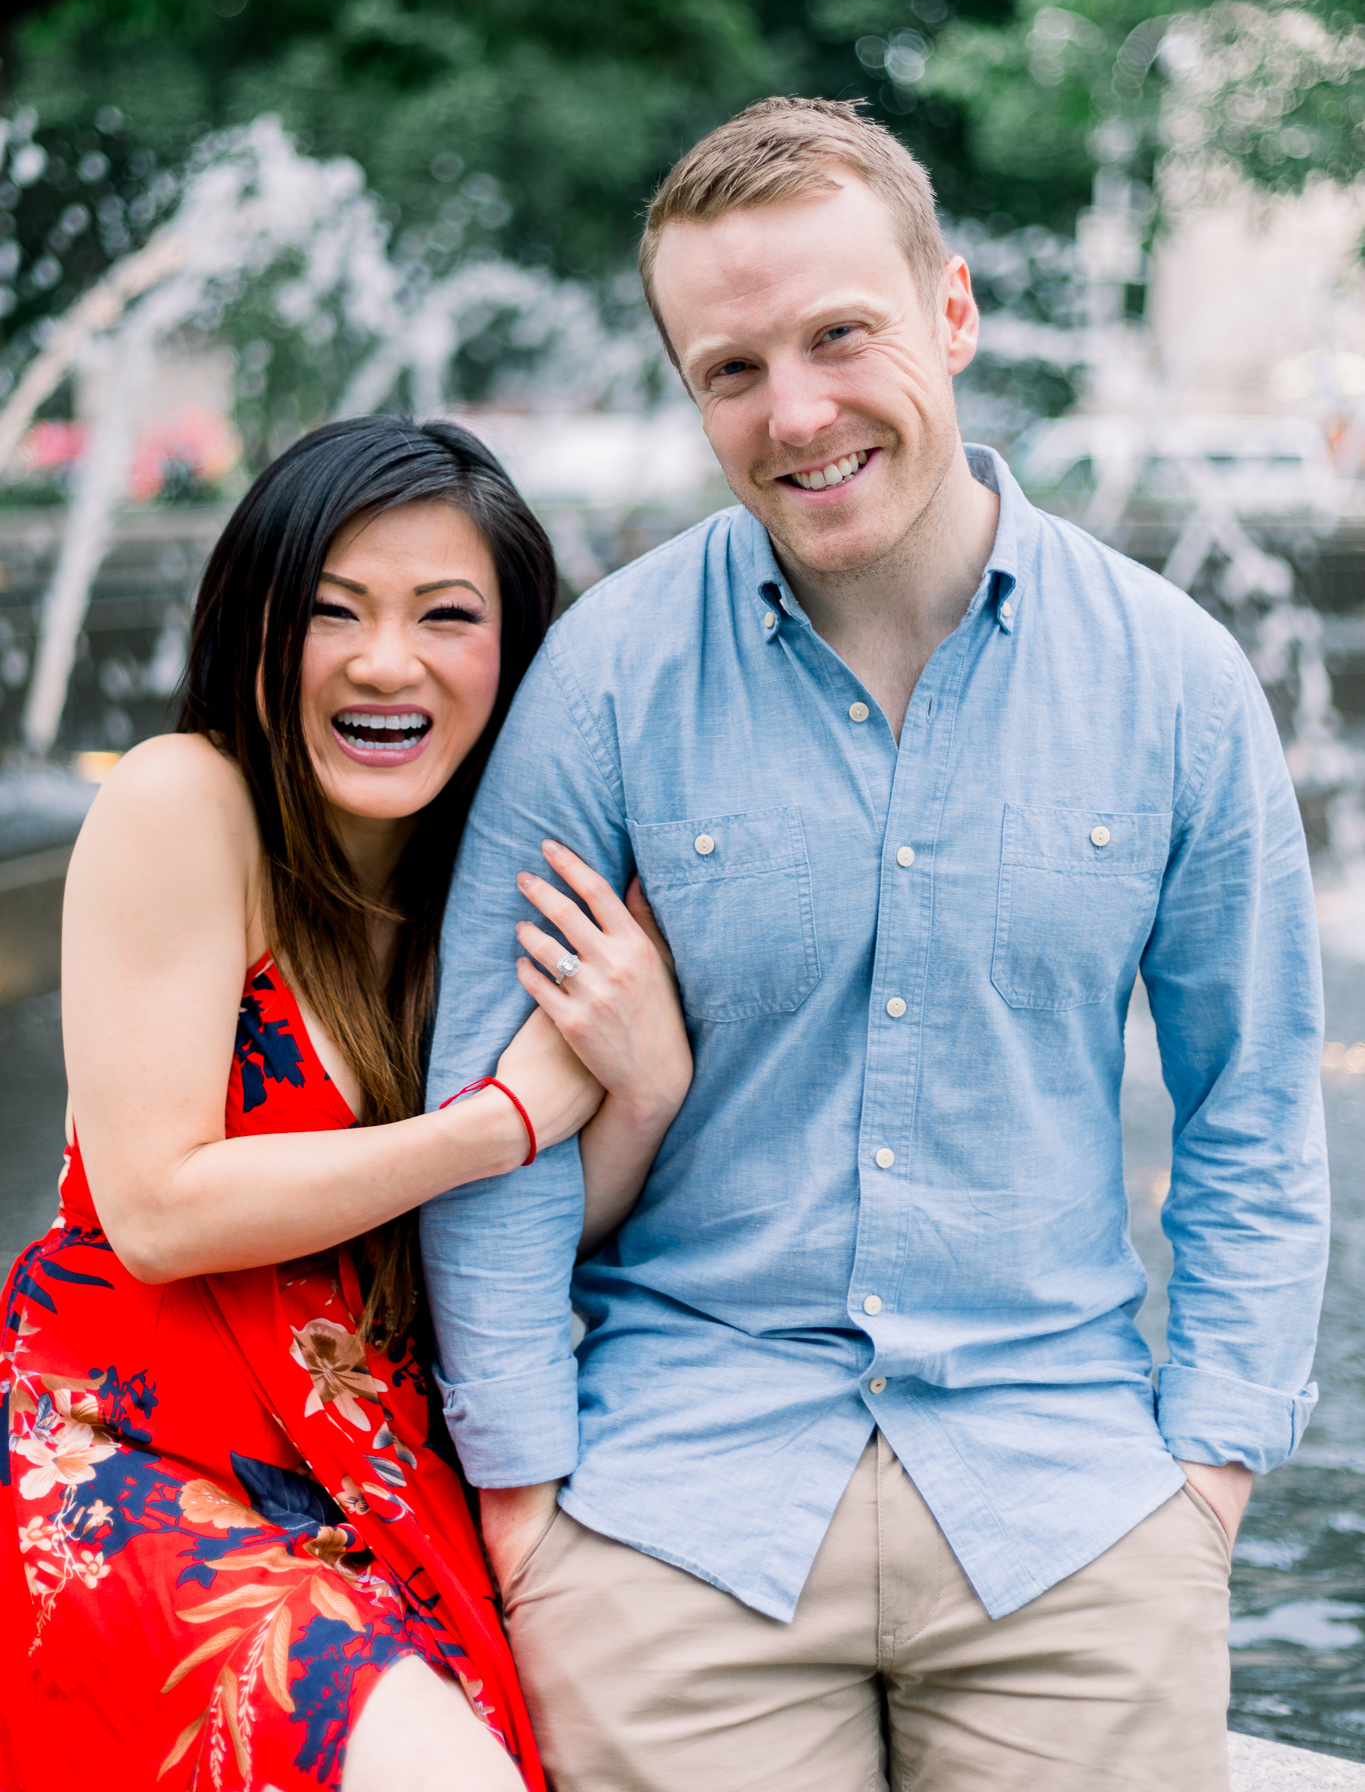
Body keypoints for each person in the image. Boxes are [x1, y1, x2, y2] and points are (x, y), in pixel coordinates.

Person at [420, 98, 1330, 1792]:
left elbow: (1252, 1111)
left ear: (954, 312)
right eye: (731, 370)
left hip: (1070, 1506)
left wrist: (1207, 1479)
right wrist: (524, 1497)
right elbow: (489, 1119)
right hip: (668, 1512)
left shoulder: (1174, 681)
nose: (798, 413)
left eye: (841, 337)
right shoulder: (607, 682)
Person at [0, 417, 692, 1792]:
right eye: (331, 614)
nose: (387, 663)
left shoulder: (508, 876)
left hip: (375, 1465)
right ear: (252, 628)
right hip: (128, 1443)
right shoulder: (186, 802)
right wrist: (495, 1119)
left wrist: (644, 1081)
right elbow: (154, 1209)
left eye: (447, 615)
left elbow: (549, 1223)